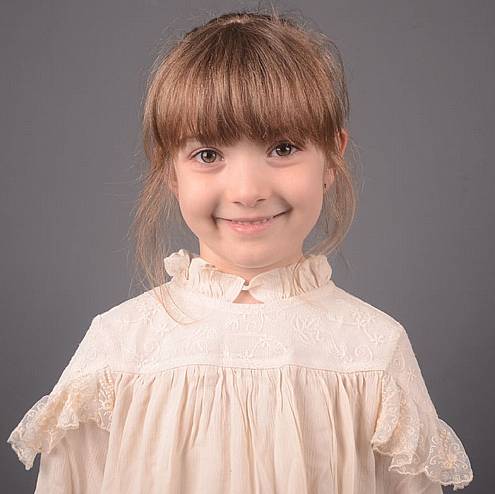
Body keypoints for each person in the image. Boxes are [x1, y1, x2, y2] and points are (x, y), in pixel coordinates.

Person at [7, 7, 473, 493]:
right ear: (170, 170)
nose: (248, 191)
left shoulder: (372, 350)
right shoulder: (118, 349)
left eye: (283, 148)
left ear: (332, 157)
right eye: (208, 155)